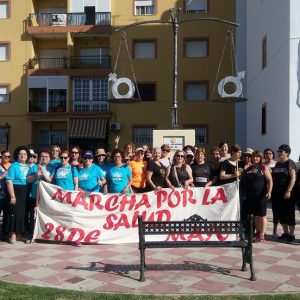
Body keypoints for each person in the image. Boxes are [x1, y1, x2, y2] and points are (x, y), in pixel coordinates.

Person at [4, 146, 34, 244]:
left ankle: (19, 234)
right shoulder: (14, 166)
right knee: (14, 213)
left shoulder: (28, 167)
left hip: (25, 191)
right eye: (20, 154)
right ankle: (12, 235)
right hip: (15, 190)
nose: (22, 155)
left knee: (22, 214)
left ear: (27, 156)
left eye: (24, 154)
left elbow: (28, 180)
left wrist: (35, 175)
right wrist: (12, 196)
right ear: (17, 155)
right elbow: (9, 181)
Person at [243, 150, 273, 242]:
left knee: (262, 216)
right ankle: (258, 232)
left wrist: (269, 192)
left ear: (260, 158)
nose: (255, 158)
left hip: (261, 195)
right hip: (251, 196)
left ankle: (262, 234)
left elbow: (270, 181)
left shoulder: (263, 167)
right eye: (254, 156)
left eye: (257, 156)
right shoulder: (248, 168)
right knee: (255, 216)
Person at [26, 149, 56, 239]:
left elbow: (50, 180)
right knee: (33, 216)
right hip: (34, 195)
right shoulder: (34, 167)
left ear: (49, 158)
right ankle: (32, 234)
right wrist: (35, 175)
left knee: (45, 216)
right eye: (42, 156)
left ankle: (44, 234)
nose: (44, 158)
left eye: (46, 156)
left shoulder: (53, 167)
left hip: (46, 196)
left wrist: (43, 172)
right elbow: (28, 180)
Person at [271, 144, 297, 242]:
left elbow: (293, 178)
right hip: (277, 194)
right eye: (278, 151)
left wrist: (288, 190)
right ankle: (285, 233)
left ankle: (291, 234)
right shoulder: (278, 164)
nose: (278, 153)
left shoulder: (290, 163)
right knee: (281, 213)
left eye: (281, 151)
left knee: (289, 213)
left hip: (287, 194)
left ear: (287, 153)